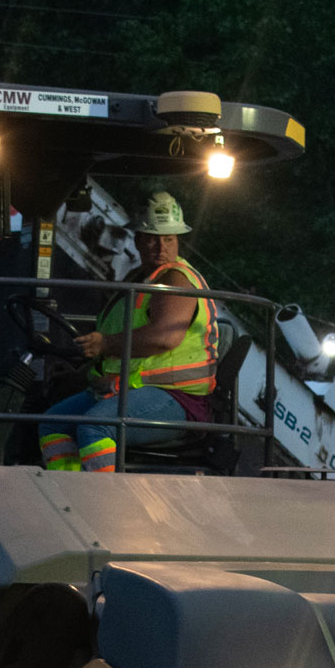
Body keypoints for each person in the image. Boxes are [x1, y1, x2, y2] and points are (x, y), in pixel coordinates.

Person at [38, 191, 221, 472]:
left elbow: (164, 337)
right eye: (152, 238)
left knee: (95, 427)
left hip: (177, 398)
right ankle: (67, 485)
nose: (161, 247)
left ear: (177, 241)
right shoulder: (139, 280)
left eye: (169, 239)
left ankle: (100, 495)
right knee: (53, 423)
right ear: (137, 240)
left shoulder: (177, 279)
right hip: (127, 388)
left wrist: (105, 344)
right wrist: (84, 370)